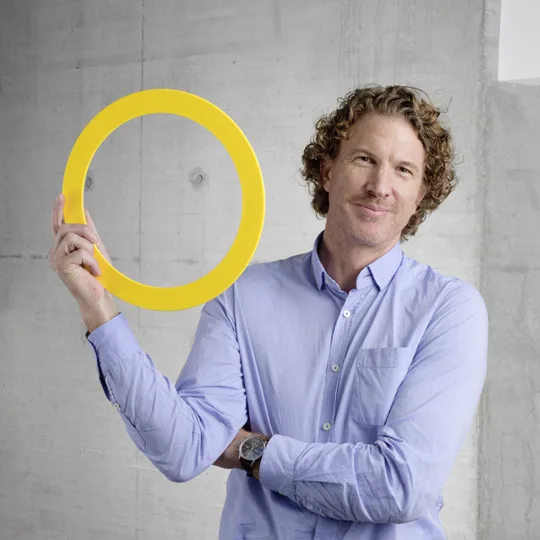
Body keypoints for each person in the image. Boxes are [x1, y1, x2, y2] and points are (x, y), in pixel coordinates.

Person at [49, 85, 488, 539]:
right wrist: (97, 307)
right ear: (327, 169)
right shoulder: (242, 297)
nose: (380, 185)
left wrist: (250, 451)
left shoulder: (449, 311)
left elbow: (400, 487)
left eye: (403, 170)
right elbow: (186, 448)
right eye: (364, 160)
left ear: (420, 195)